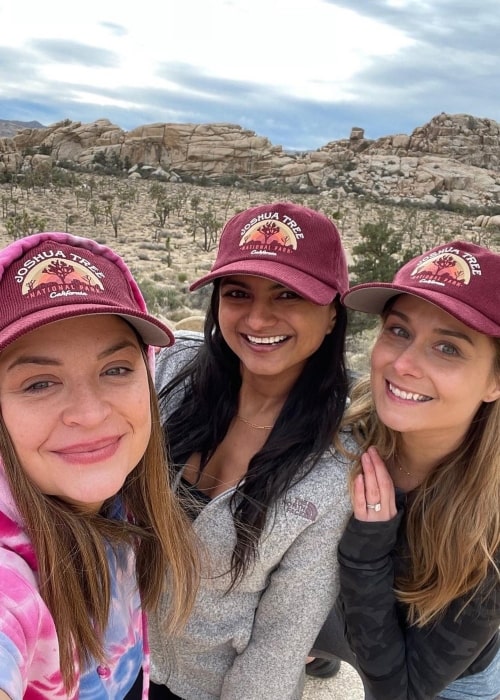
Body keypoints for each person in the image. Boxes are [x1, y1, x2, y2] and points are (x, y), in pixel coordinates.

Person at [147, 201, 354, 699]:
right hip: (112, 661)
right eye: (238, 293)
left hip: (208, 687)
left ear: (331, 315)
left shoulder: (338, 463)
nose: (259, 318)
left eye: (288, 295)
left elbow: (280, 643)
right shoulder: (168, 373)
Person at [0, 232, 199, 699]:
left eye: (115, 370)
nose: (90, 414)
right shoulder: (13, 571)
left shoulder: (117, 500)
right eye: (39, 383)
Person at [311, 240, 500, 700]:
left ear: (495, 381)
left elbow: (404, 691)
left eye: (448, 348)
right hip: (351, 625)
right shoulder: (339, 426)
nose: (403, 364)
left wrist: (368, 548)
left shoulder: (491, 524)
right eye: (398, 331)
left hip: (451, 676)